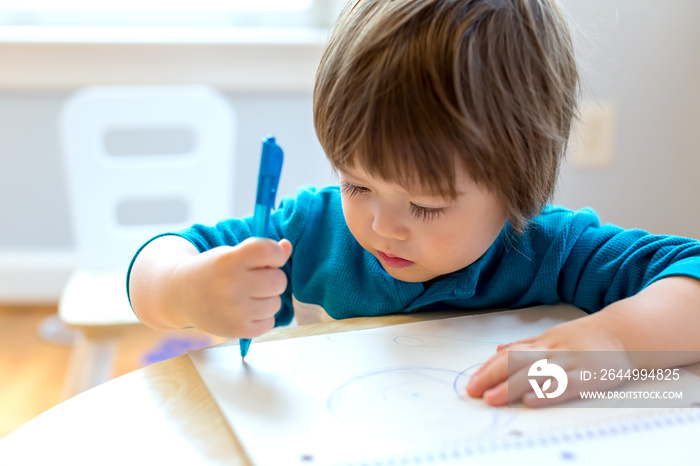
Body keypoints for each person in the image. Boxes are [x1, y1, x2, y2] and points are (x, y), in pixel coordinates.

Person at [127, 0, 700, 407]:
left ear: (517, 185)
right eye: (357, 184)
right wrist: (186, 287)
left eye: (425, 205)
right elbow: (153, 265)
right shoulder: (311, 234)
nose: (380, 226)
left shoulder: (553, 250)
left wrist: (612, 342)